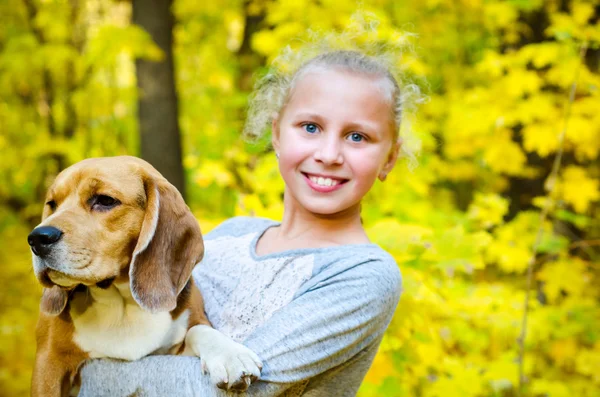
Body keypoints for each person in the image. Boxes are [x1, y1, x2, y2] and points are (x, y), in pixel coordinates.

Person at [78, 36, 421, 397]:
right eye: (310, 127)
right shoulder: (231, 235)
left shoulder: (363, 275)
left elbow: (230, 390)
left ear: (390, 158)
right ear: (276, 134)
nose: (329, 153)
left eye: (357, 136)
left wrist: (72, 375)